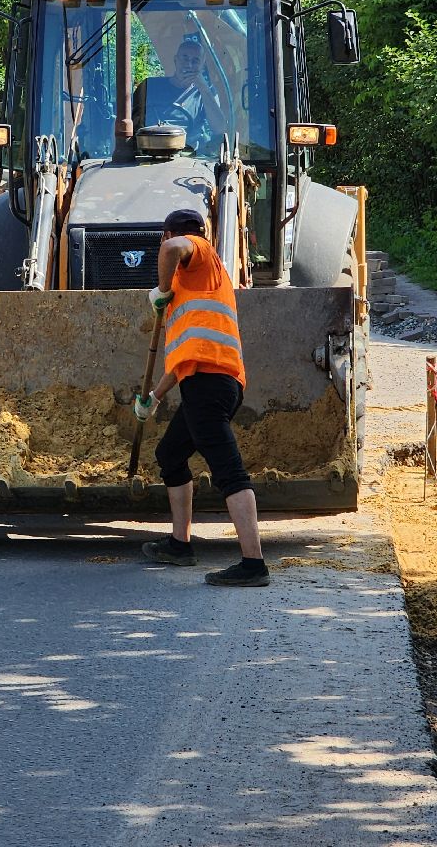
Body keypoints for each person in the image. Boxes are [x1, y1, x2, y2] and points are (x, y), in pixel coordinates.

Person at [133, 207, 269, 587]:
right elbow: (187, 359)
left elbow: (173, 247)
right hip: (206, 381)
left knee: (229, 470)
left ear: (167, 234)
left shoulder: (199, 253)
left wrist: (161, 290)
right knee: (170, 454)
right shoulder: (194, 285)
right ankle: (180, 544)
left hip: (211, 385)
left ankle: (253, 564)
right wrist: (155, 398)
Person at [133, 33, 225, 152]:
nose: (189, 64)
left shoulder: (207, 93)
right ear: (176, 60)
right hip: (147, 152)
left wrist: (203, 88)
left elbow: (219, 128)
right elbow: (126, 120)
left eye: (195, 61)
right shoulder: (149, 86)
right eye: (185, 58)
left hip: (188, 157)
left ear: (202, 66)